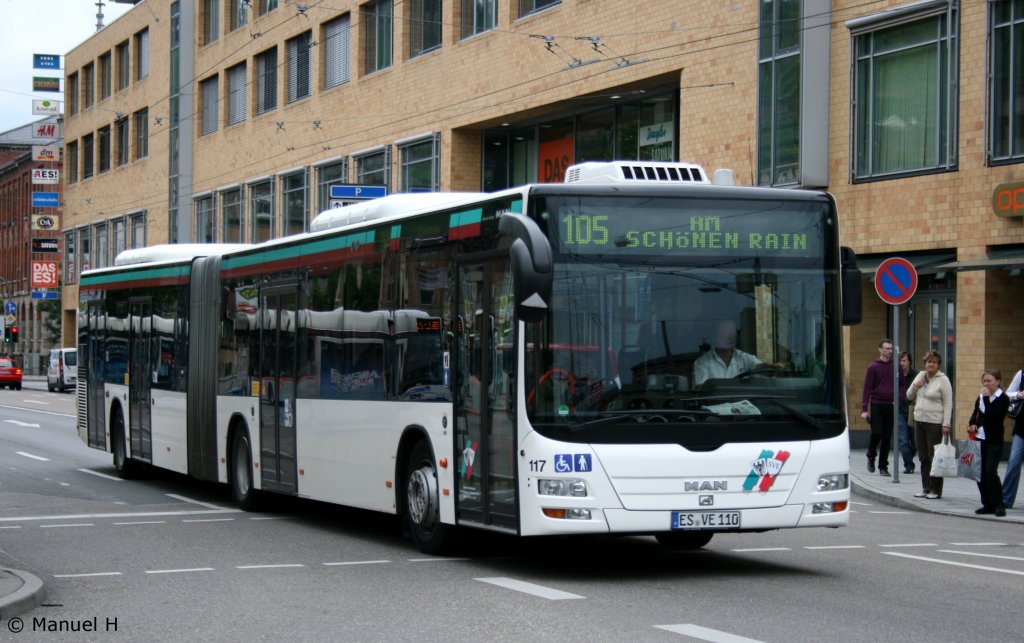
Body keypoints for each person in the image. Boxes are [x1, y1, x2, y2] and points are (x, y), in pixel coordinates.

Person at [907, 350, 953, 499]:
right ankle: (925, 487)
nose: (931, 364)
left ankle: (935, 489)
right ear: (925, 363)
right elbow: (908, 395)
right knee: (923, 457)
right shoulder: (920, 376)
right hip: (919, 421)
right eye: (929, 362)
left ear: (938, 365)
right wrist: (915, 385)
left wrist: (946, 423)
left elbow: (948, 403)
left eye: (934, 362)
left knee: (934, 457)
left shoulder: (943, 380)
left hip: (935, 423)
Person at [968, 369, 1008, 517]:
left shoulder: (1002, 398)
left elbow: (993, 417)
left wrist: (985, 399)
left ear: (997, 382)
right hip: (980, 438)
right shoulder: (981, 397)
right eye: (985, 381)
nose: (987, 384)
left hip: (994, 441)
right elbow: (976, 414)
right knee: (980, 473)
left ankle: (999, 504)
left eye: (990, 381)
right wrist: (972, 423)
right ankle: (987, 503)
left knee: (991, 471)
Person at [861, 338, 903, 476]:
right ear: (880, 349)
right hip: (877, 403)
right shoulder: (873, 366)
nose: (889, 351)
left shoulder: (896, 366)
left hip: (891, 404)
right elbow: (867, 388)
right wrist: (864, 409)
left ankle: (883, 466)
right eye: (887, 348)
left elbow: (902, 384)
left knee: (887, 436)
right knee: (877, 432)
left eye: (891, 348)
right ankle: (871, 454)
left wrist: (900, 398)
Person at [693, 320, 762, 386]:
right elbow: (700, 391)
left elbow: (761, 368)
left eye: (732, 333)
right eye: (725, 334)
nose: (730, 337)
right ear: (715, 338)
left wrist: (767, 368)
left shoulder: (744, 358)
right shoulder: (702, 363)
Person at [1003, 368, 1024, 510]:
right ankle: (1005, 499)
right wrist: (1018, 394)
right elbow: (1007, 395)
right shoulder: (1022, 374)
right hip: (1022, 427)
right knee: (1014, 461)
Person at [897, 351, 918, 474]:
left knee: (914, 441)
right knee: (903, 440)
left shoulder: (916, 375)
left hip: (913, 410)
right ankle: (909, 465)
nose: (902, 363)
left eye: (904, 360)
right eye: (900, 361)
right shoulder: (896, 375)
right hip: (900, 410)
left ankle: (910, 456)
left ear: (909, 361)